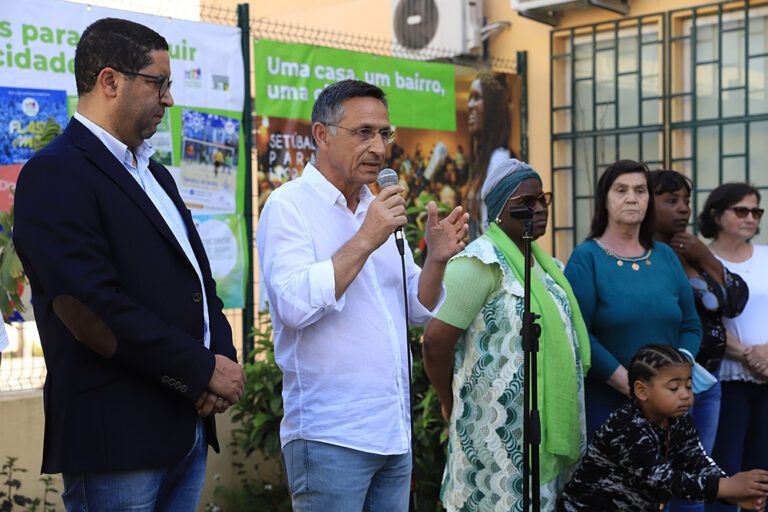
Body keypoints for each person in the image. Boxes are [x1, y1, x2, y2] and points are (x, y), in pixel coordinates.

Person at [12, 18, 245, 511]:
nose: (169, 99)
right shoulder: (55, 174)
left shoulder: (156, 173)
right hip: (118, 441)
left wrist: (220, 359)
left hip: (185, 427)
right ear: (110, 81)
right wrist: (203, 370)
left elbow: (200, 284)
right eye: (158, 83)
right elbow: (91, 309)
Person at [256, 79, 469, 512]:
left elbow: (415, 306)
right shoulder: (288, 207)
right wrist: (367, 236)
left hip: (391, 434)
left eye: (384, 134)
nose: (379, 147)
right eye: (363, 132)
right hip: (330, 436)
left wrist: (437, 259)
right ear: (321, 134)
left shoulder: (375, 207)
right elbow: (294, 305)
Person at [423, 159, 591, 511]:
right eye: (526, 202)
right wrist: (448, 401)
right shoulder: (480, 264)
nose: (540, 208)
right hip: (492, 434)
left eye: (542, 198)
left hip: (538, 435)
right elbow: (436, 343)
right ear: (500, 210)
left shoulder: (548, 267)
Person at [564, 160, 702, 439]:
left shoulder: (665, 256)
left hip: (668, 405)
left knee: (670, 480)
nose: (631, 198)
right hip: (608, 404)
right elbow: (580, 334)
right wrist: (634, 387)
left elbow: (690, 324)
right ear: (604, 200)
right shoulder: (586, 258)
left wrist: (675, 380)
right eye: (621, 190)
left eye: (640, 191)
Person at [558, 344, 768, 511]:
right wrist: (725, 488)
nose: (685, 394)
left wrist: (731, 492)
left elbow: (696, 461)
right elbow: (662, 480)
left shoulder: (679, 420)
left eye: (688, 385)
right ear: (641, 390)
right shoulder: (626, 427)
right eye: (674, 388)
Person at [699, 183, 768, 512]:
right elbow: (702, 321)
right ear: (716, 213)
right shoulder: (701, 260)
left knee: (764, 469)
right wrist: (750, 356)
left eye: (756, 211)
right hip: (724, 380)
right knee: (726, 467)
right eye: (741, 210)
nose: (750, 217)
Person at [465, 71, 515, 240]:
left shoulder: (500, 160)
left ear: (493, 108)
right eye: (469, 98)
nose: (470, 105)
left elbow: (499, 227)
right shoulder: (483, 161)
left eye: (477, 98)